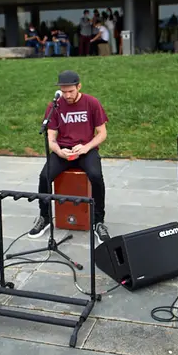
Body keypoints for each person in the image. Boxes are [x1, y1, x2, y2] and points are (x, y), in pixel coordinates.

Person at [28, 70, 111, 245]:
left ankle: (99, 222)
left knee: (96, 176)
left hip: (86, 149)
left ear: (79, 86)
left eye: (71, 91)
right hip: (63, 151)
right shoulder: (55, 106)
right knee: (44, 176)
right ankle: (45, 217)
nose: (67, 95)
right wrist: (59, 151)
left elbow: (102, 133)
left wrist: (86, 147)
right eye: (64, 92)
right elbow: (51, 138)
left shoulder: (91, 103)